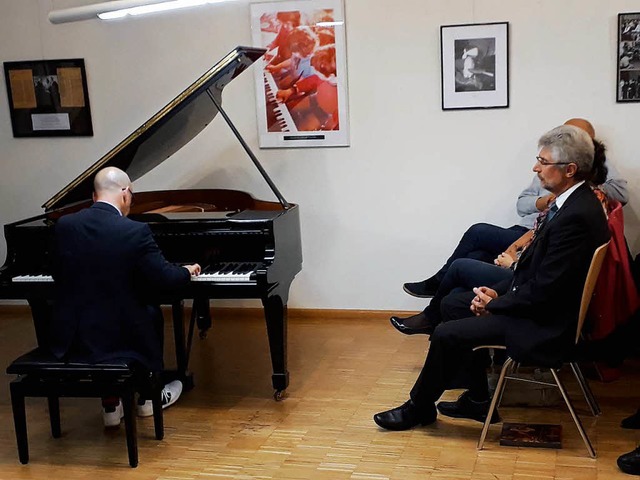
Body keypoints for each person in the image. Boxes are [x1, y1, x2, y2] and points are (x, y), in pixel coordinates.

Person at [373, 124, 610, 431]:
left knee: (448, 333)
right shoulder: (575, 205)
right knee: (455, 304)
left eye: (543, 161)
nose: (535, 167)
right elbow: (533, 272)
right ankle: (479, 399)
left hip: (546, 324)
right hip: (542, 309)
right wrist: (496, 294)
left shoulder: (576, 217)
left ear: (570, 169)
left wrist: (497, 305)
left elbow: (546, 289)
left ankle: (418, 408)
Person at [402, 118, 626, 300]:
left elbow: (618, 193)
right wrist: (544, 201)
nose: (565, 141)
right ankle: (455, 323)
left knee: (476, 234)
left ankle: (440, 295)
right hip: (524, 233)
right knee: (475, 258)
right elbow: (522, 204)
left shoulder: (582, 192)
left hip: (531, 252)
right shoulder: (548, 171)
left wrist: (575, 189)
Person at [49, 166, 201, 427]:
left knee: (106, 309)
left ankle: (110, 404)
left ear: (94, 197)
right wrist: (186, 271)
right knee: (149, 311)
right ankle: (149, 397)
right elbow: (165, 279)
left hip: (76, 334)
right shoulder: (134, 231)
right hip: (122, 335)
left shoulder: (65, 225)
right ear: (125, 193)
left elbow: (57, 274)